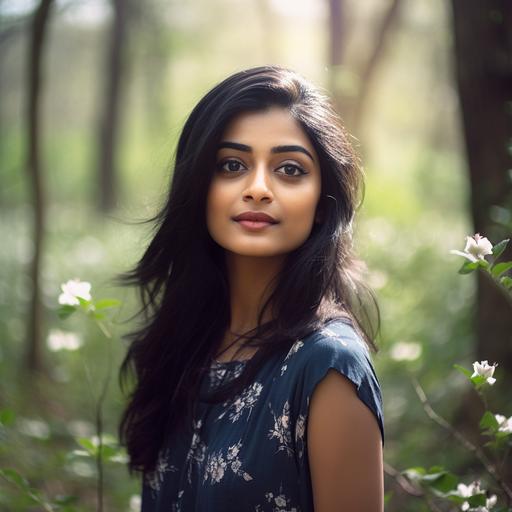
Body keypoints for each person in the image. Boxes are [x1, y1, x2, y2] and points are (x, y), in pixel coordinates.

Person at [118, 65, 384, 511]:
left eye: (289, 169)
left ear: (323, 203)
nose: (258, 189)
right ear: (199, 187)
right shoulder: (183, 346)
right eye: (232, 165)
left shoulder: (329, 366)